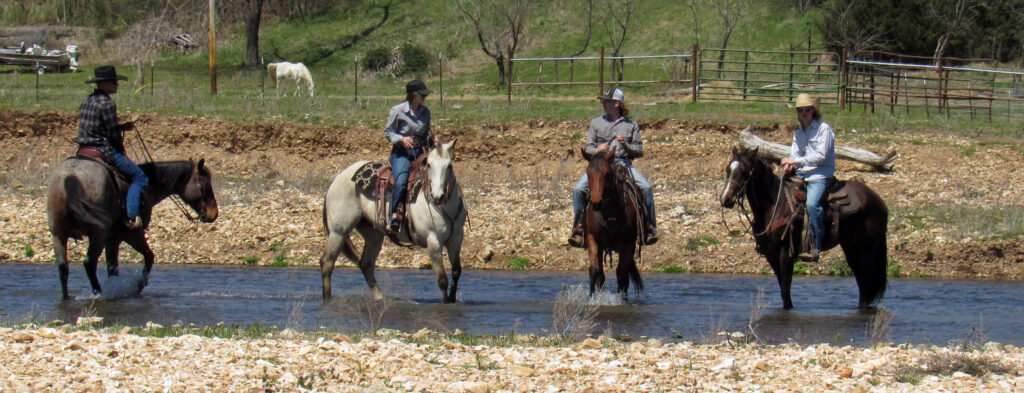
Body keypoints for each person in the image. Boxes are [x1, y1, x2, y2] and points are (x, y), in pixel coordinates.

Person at [568, 88, 658, 247]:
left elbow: (639, 151)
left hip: (622, 163)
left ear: (616, 104)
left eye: (607, 101)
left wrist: (626, 145)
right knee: (578, 189)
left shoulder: (631, 125)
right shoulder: (596, 123)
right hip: (600, 165)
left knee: (646, 187)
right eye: (603, 101)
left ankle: (649, 228)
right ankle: (579, 228)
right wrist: (597, 150)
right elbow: (588, 147)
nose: (604, 104)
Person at [74, 65, 148, 230]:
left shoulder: (87, 100)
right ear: (105, 83)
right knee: (139, 177)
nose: (117, 85)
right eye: (114, 82)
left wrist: (122, 127)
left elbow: (99, 126)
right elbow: (112, 134)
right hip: (102, 149)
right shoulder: (107, 103)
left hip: (83, 149)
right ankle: (131, 217)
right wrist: (120, 147)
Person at [780, 93, 836, 262]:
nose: (804, 113)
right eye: (800, 110)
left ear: (813, 111)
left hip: (820, 173)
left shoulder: (823, 129)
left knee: (812, 204)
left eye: (807, 110)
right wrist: (790, 164)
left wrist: (795, 160)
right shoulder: (798, 133)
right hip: (803, 172)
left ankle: (816, 247)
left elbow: (820, 156)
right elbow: (794, 153)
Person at [384, 79, 433, 232]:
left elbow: (425, 134)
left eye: (425, 94)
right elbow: (388, 132)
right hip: (402, 154)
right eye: (422, 94)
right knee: (402, 181)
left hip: (419, 153)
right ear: (412, 95)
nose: (424, 97)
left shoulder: (426, 112)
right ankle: (394, 215)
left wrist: (432, 140)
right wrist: (401, 138)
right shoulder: (398, 110)